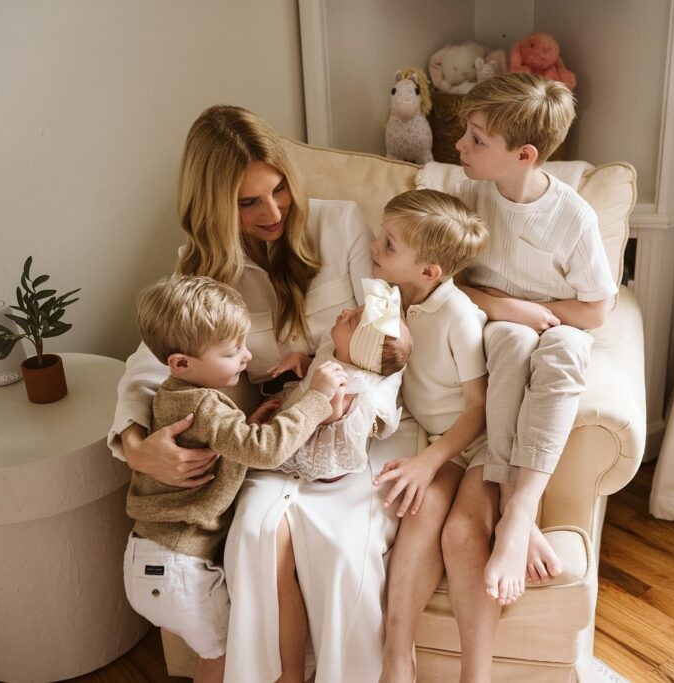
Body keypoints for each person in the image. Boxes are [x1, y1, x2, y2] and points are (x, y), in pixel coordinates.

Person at [107, 105, 415, 683]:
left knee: (340, 553)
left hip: (352, 434)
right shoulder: (197, 268)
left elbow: (385, 334)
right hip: (267, 439)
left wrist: (354, 407)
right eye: (249, 202)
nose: (273, 212)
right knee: (254, 536)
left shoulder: (339, 223)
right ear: (214, 206)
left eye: (279, 190)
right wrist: (135, 444)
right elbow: (147, 366)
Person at [426, 72, 617, 681]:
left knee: (561, 352)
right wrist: (506, 307)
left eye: (476, 138)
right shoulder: (468, 193)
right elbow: (446, 275)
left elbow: (598, 309)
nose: (460, 145)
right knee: (507, 341)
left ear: (525, 155)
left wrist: (545, 316)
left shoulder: (573, 218)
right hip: (501, 324)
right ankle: (519, 514)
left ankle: (518, 509)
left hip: (560, 323)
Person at [123, 275, 345, 683]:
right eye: (231, 351)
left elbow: (230, 444)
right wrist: (317, 397)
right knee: (232, 655)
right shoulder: (206, 404)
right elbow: (267, 450)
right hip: (179, 567)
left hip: (149, 558)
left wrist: (245, 427)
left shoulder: (172, 395)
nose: (246, 357)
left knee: (219, 654)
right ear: (181, 363)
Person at [366, 190, 489, 683]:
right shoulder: (388, 298)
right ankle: (399, 659)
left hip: (474, 444)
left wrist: (429, 462)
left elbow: (479, 412)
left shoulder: (458, 316)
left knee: (455, 529)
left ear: (429, 271)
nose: (375, 246)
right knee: (419, 514)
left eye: (389, 244)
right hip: (434, 438)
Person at [269, 278, 412, 483]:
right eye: (354, 312)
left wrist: (334, 399)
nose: (345, 312)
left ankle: (326, 473)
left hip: (321, 425)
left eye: (351, 321)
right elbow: (319, 363)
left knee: (302, 452)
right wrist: (302, 360)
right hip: (310, 402)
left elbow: (330, 418)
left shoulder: (350, 380)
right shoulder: (334, 347)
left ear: (357, 350)